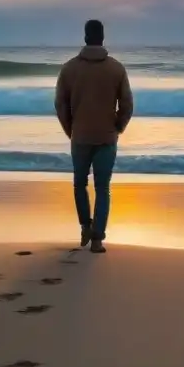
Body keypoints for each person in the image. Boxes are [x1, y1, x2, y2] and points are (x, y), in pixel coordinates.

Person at [54, 19, 133, 253]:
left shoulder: (69, 68)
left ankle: (85, 227)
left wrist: (71, 129)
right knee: (102, 188)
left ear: (86, 37)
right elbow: (127, 105)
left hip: (79, 135)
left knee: (80, 184)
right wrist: (118, 127)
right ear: (103, 38)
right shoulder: (116, 68)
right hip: (107, 137)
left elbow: (60, 104)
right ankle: (97, 239)